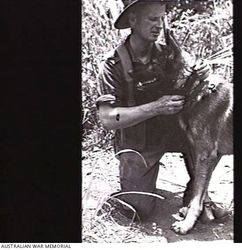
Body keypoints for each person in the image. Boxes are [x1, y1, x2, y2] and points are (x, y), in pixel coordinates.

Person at [96, 0, 228, 221]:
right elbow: (108, 119)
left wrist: (203, 72)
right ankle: (132, 191)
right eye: (152, 19)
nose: (159, 25)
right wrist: (156, 107)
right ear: (132, 20)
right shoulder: (113, 65)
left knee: (206, 137)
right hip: (138, 138)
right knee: (138, 211)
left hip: (174, 130)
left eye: (162, 19)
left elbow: (195, 75)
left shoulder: (168, 53)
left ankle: (197, 196)